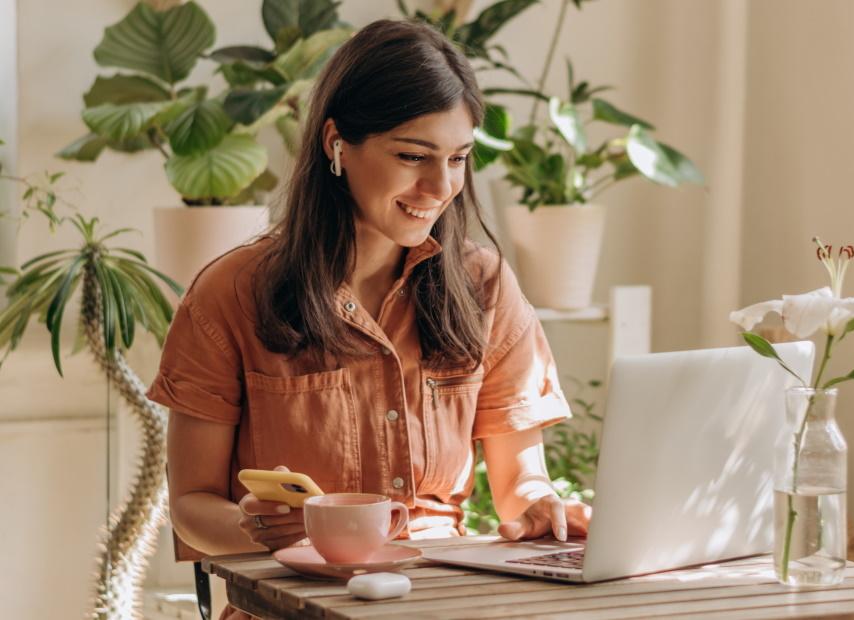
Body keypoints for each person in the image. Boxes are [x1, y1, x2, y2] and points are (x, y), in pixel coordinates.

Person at [147, 18, 591, 620]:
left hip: (443, 602)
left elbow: (520, 485)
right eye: (413, 155)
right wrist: (261, 532)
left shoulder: (482, 285)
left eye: (459, 157)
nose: (441, 186)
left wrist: (543, 507)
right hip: (292, 606)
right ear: (337, 144)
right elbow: (191, 504)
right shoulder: (231, 293)